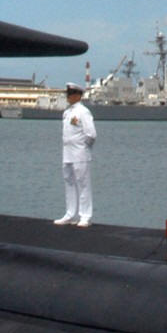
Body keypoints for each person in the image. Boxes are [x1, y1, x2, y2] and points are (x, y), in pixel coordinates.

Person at [54, 84, 96, 227]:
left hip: (80, 153)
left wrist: (83, 147)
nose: (68, 96)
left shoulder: (84, 112)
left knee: (83, 184)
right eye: (68, 93)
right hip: (67, 153)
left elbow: (91, 134)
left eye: (70, 94)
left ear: (77, 95)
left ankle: (85, 216)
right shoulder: (66, 113)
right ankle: (70, 214)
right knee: (69, 182)